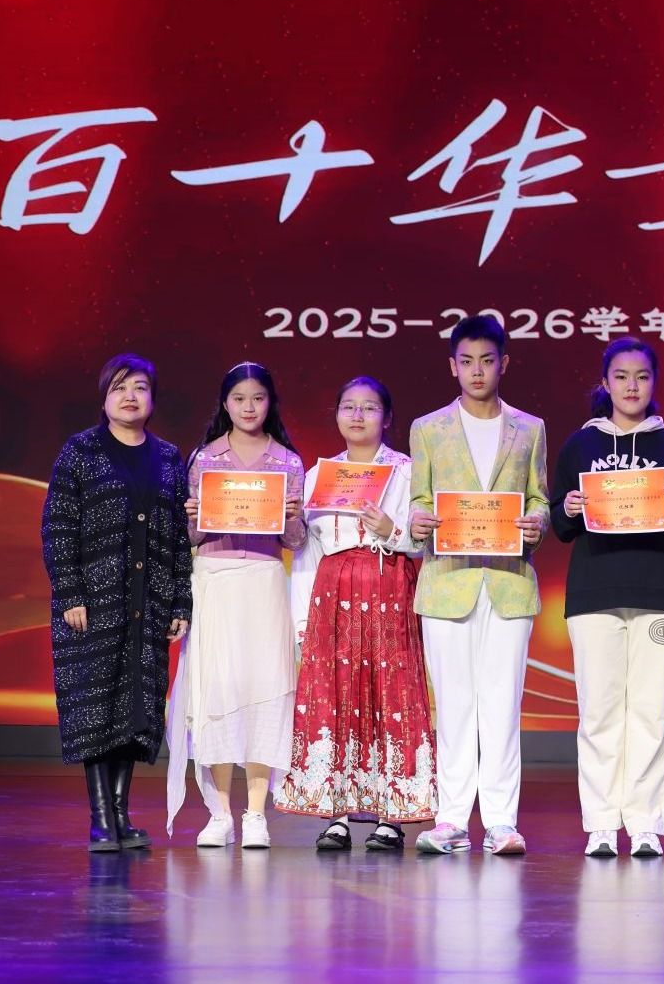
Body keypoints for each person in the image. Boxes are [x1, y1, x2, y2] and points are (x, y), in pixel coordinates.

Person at [551, 338, 664, 859]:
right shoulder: (579, 445)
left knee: (649, 711)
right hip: (594, 593)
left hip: (659, 593)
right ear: (606, 383)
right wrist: (570, 507)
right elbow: (559, 525)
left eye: (641, 376)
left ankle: (644, 824)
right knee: (598, 712)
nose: (632, 386)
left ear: (653, 383)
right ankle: (600, 824)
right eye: (621, 376)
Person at [407, 314, 551, 856]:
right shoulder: (429, 428)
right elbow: (420, 499)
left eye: (487, 361)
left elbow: (538, 498)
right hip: (448, 581)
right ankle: (450, 819)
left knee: (502, 705)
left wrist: (536, 523)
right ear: (452, 366)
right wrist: (419, 520)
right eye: (466, 362)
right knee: (453, 705)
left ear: (503, 364)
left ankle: (501, 821)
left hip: (509, 583)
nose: (476, 371)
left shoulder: (529, 428)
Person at [42, 353, 192, 851]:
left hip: (148, 605)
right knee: (96, 708)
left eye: (140, 387)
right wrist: (70, 593)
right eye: (120, 387)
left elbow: (178, 536)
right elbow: (59, 526)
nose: (130, 396)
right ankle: (101, 819)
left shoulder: (168, 457)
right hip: (92, 606)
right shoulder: (81, 450)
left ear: (152, 398)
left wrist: (179, 603)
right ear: (104, 397)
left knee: (136, 710)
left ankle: (122, 816)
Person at [280, 376, 436, 851]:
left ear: (387, 418)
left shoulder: (408, 472)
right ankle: (338, 814)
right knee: (337, 696)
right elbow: (307, 552)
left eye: (369, 408)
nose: (357, 415)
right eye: (348, 406)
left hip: (390, 588)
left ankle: (393, 814)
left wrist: (392, 530)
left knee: (391, 695)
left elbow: (426, 544)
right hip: (333, 594)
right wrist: (303, 620)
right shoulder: (319, 476)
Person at [166, 362, 305, 850]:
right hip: (215, 581)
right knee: (218, 692)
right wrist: (192, 517)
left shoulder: (287, 461)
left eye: (258, 398)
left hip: (264, 581)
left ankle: (257, 814)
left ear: (270, 403)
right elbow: (189, 537)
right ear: (225, 404)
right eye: (239, 398)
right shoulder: (205, 458)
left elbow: (295, 541)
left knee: (265, 691)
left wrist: (293, 517)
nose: (249, 407)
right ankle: (220, 812)